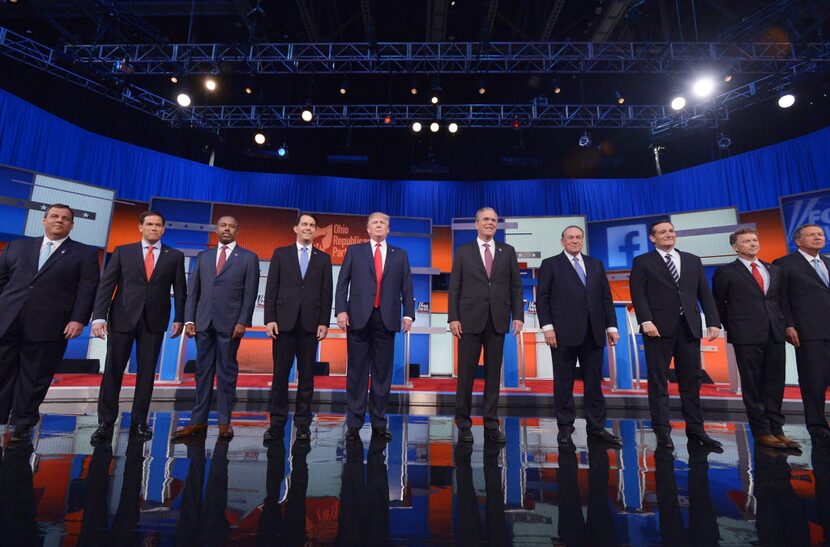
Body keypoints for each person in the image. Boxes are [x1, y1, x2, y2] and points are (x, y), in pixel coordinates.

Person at [0, 204, 99, 443]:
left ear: (72, 225)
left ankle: (23, 422)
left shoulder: (84, 254)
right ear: (44, 220)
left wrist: (78, 319)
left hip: (50, 325)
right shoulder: (17, 246)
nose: (59, 221)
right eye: (54, 216)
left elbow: (87, 290)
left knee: (35, 377)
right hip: (8, 322)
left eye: (65, 218)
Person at [90, 211, 186, 443]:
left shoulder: (174, 256)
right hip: (122, 318)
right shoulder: (123, 251)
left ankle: (139, 422)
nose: (154, 228)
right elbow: (107, 285)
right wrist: (99, 317)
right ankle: (105, 422)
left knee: (146, 374)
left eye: (158, 225)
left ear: (164, 229)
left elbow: (181, 290)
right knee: (113, 371)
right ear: (140, 227)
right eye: (149, 224)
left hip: (154, 321)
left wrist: (180, 318)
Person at [629, 221, 722, 451]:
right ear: (653, 238)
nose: (668, 235)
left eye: (671, 231)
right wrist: (646, 320)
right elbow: (638, 294)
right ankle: (662, 430)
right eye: (662, 232)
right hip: (657, 329)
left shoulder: (692, 259)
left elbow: (704, 293)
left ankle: (696, 429)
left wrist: (713, 321)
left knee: (691, 381)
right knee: (659, 381)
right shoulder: (643, 262)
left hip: (688, 327)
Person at [172, 216, 259, 441]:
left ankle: (224, 422)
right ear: (217, 229)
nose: (227, 229)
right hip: (203, 323)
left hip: (230, 326)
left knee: (226, 374)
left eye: (231, 226)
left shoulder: (248, 258)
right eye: (223, 225)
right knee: (202, 373)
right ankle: (197, 421)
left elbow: (249, 295)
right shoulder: (204, 256)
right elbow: (194, 292)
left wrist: (242, 321)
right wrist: (189, 319)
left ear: (237, 230)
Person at [712, 228, 799, 449]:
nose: (753, 244)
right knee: (753, 386)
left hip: (775, 332)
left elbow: (781, 301)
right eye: (747, 241)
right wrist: (733, 327)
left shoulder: (774, 269)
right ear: (735, 246)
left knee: (775, 383)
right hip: (746, 335)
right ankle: (762, 431)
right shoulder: (727, 272)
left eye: (755, 240)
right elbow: (719, 304)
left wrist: (787, 325)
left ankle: (777, 430)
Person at [536, 225, 621, 449]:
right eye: (570, 237)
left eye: (578, 237)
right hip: (562, 333)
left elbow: (606, 298)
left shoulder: (596, 264)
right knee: (563, 382)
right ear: (562, 241)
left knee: (594, 383)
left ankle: (597, 427)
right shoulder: (550, 264)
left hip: (594, 331)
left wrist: (611, 327)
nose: (575, 241)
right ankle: (565, 428)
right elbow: (542, 299)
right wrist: (547, 328)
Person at [335, 212, 414, 442]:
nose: (379, 226)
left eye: (383, 223)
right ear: (368, 229)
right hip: (358, 318)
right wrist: (341, 311)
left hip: (386, 319)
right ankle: (354, 424)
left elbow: (407, 287)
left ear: (388, 229)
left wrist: (408, 314)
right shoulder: (355, 251)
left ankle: (379, 422)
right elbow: (342, 284)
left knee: (382, 375)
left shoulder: (400, 254)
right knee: (357, 373)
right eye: (374, 223)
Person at [448, 207, 523, 445]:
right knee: (466, 375)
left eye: (493, 220)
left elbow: (515, 287)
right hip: (469, 320)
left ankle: (491, 423)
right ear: (476, 223)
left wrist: (518, 316)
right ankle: (463, 422)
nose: (490, 223)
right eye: (486, 219)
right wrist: (453, 317)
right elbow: (455, 287)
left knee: (493, 375)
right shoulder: (463, 251)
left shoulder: (507, 251)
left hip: (498, 319)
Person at [262, 213, 332, 443]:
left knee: (307, 378)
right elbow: (271, 288)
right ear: (296, 228)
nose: (308, 228)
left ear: (315, 230)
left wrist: (324, 321)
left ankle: (303, 423)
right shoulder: (281, 254)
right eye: (304, 224)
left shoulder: (323, 258)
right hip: (282, 323)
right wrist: (269, 318)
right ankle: (276, 422)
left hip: (310, 325)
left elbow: (326, 293)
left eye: (312, 225)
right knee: (280, 375)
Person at [773, 223, 830, 447]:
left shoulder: (827, 261)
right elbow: (782, 299)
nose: (818, 237)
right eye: (812, 234)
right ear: (798, 241)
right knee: (813, 380)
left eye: (821, 234)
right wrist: (789, 325)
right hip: (808, 331)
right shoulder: (785, 264)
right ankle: (816, 426)